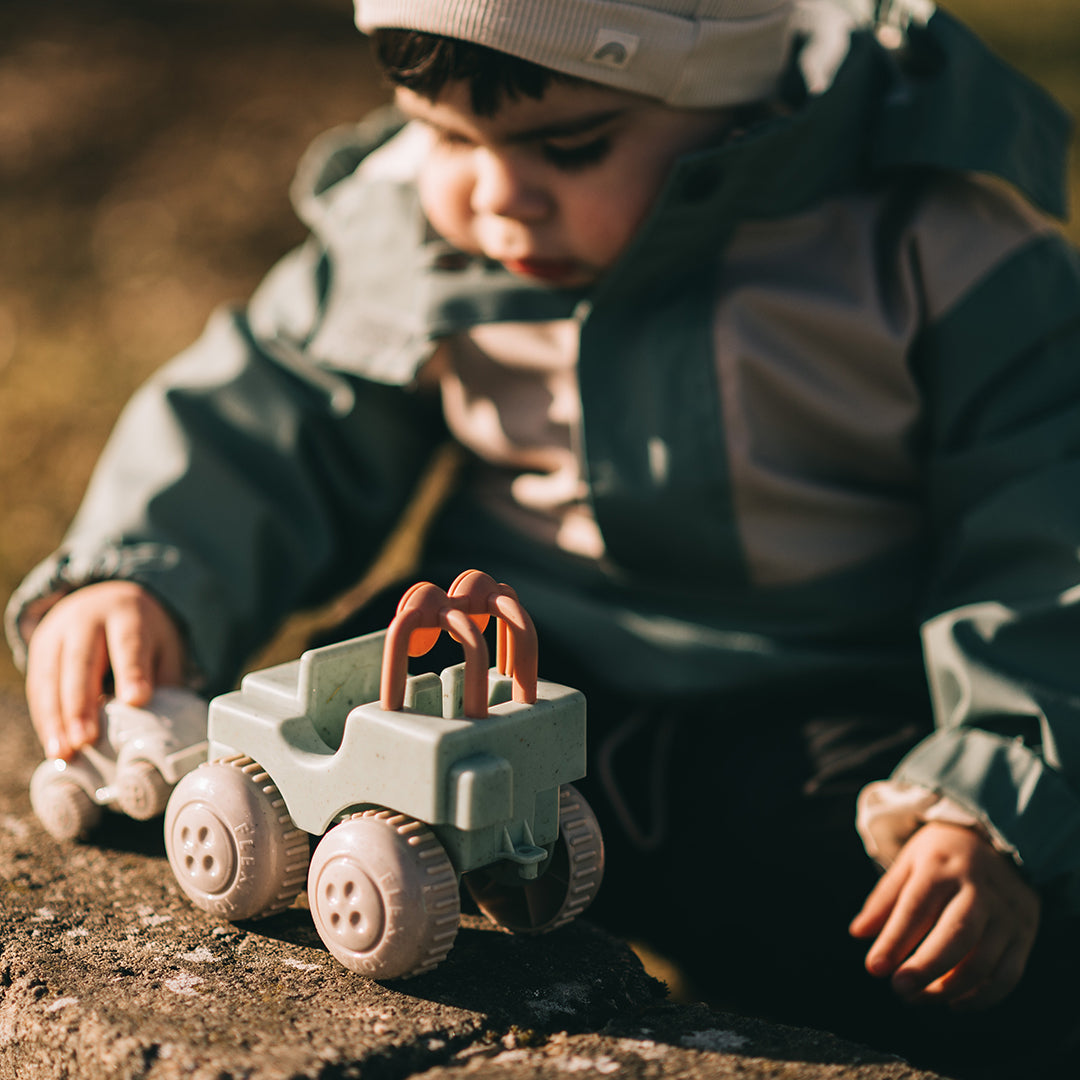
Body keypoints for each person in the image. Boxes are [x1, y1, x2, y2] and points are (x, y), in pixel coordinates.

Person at [7, 0, 1080, 1074]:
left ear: (732, 92)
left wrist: (991, 792)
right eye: (441, 134)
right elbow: (282, 409)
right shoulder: (424, 231)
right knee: (335, 718)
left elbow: (1046, 531)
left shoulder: (928, 240)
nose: (494, 194)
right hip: (510, 656)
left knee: (939, 949)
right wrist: (144, 569)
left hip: (825, 708)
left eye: (571, 146)